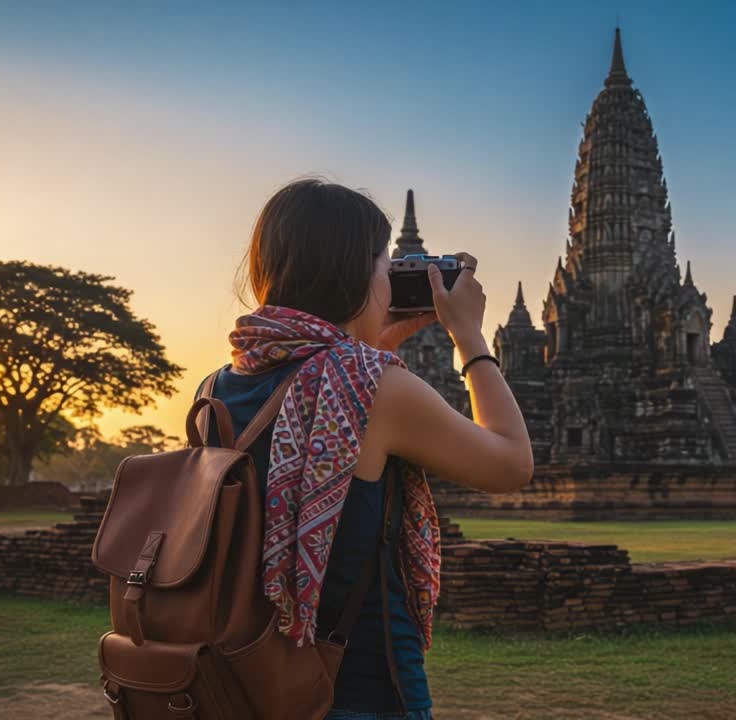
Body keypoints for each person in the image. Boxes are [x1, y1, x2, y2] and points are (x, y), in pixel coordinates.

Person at [200, 177, 534, 720]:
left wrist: (377, 340)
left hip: (243, 674)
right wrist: (470, 337)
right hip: (356, 685)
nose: (390, 278)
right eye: (386, 265)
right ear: (357, 270)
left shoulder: (217, 385)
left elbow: (329, 401)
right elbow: (512, 462)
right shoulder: (374, 385)